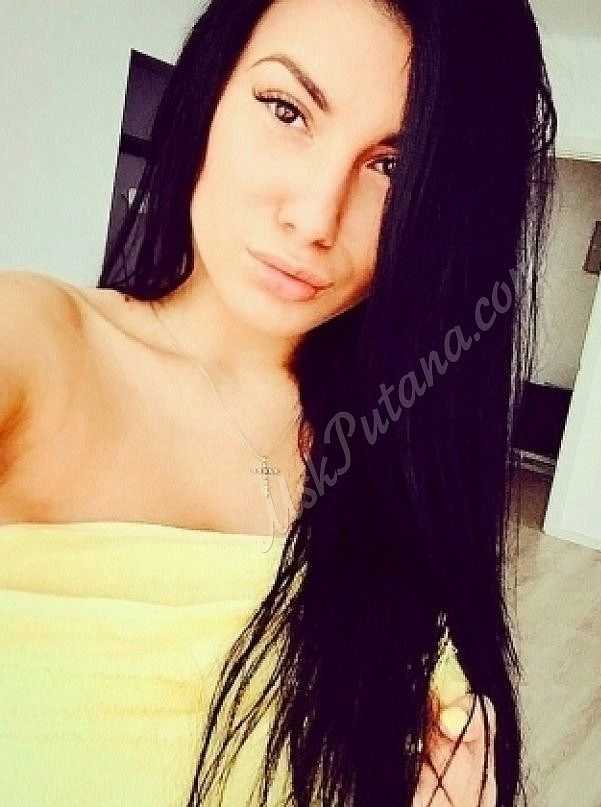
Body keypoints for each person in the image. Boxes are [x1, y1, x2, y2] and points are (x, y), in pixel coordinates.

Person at [0, 0, 557, 804]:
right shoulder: (31, 342)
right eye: (286, 110)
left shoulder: (405, 452)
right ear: (211, 89)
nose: (314, 216)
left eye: (392, 165)